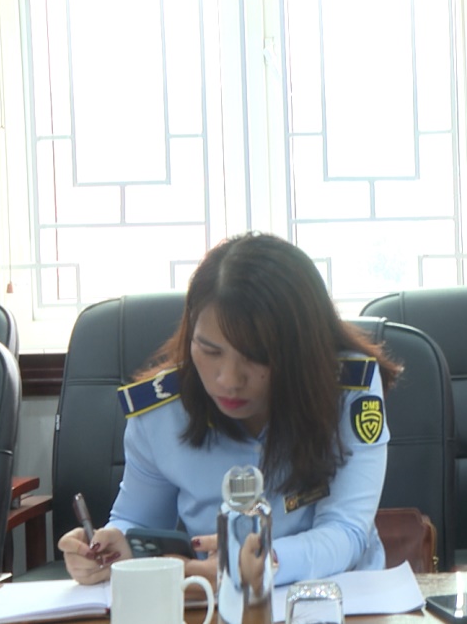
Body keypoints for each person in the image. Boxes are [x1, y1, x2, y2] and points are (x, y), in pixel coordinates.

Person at [58, 231, 403, 585]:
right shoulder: (159, 411)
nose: (229, 380)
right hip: (211, 600)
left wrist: (262, 562)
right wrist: (110, 549)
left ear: (301, 350)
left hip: (339, 597)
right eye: (210, 351)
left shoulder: (347, 391)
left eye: (256, 357)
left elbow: (347, 531)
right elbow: (139, 522)